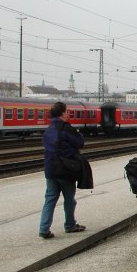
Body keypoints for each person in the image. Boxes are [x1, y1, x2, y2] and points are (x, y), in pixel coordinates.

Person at [38, 101, 87, 239]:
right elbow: (80, 143)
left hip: (50, 169)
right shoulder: (66, 128)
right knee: (69, 199)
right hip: (65, 169)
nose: (68, 114)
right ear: (62, 113)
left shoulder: (48, 130)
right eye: (67, 112)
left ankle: (44, 228)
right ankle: (70, 225)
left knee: (50, 199)